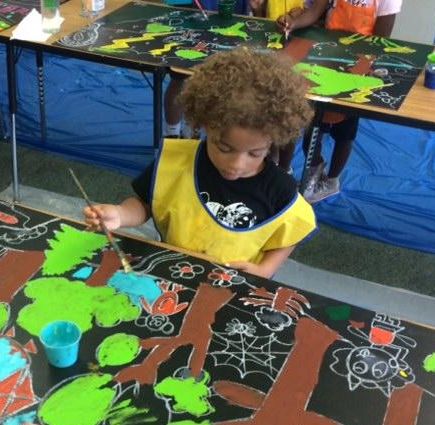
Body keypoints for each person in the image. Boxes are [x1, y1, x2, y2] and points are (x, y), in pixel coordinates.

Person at [84, 49, 316, 279]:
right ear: (205, 124)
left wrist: (266, 269)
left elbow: (291, 233)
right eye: (224, 148)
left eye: (254, 154)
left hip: (234, 285)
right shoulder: (176, 162)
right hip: (171, 272)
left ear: (272, 141)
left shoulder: (280, 188)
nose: (236, 164)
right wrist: (120, 214)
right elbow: (145, 203)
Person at [277, 0, 403, 203]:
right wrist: (293, 23)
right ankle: (315, 166)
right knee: (313, 125)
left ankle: (332, 180)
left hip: (357, 66)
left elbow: (379, 40)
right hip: (328, 58)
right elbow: (314, 12)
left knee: (344, 131)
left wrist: (360, 68)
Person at [164, 0, 249, 138]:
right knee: (179, 77)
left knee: (225, 79)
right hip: (190, 16)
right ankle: (171, 133)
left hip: (229, 17)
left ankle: (193, 130)